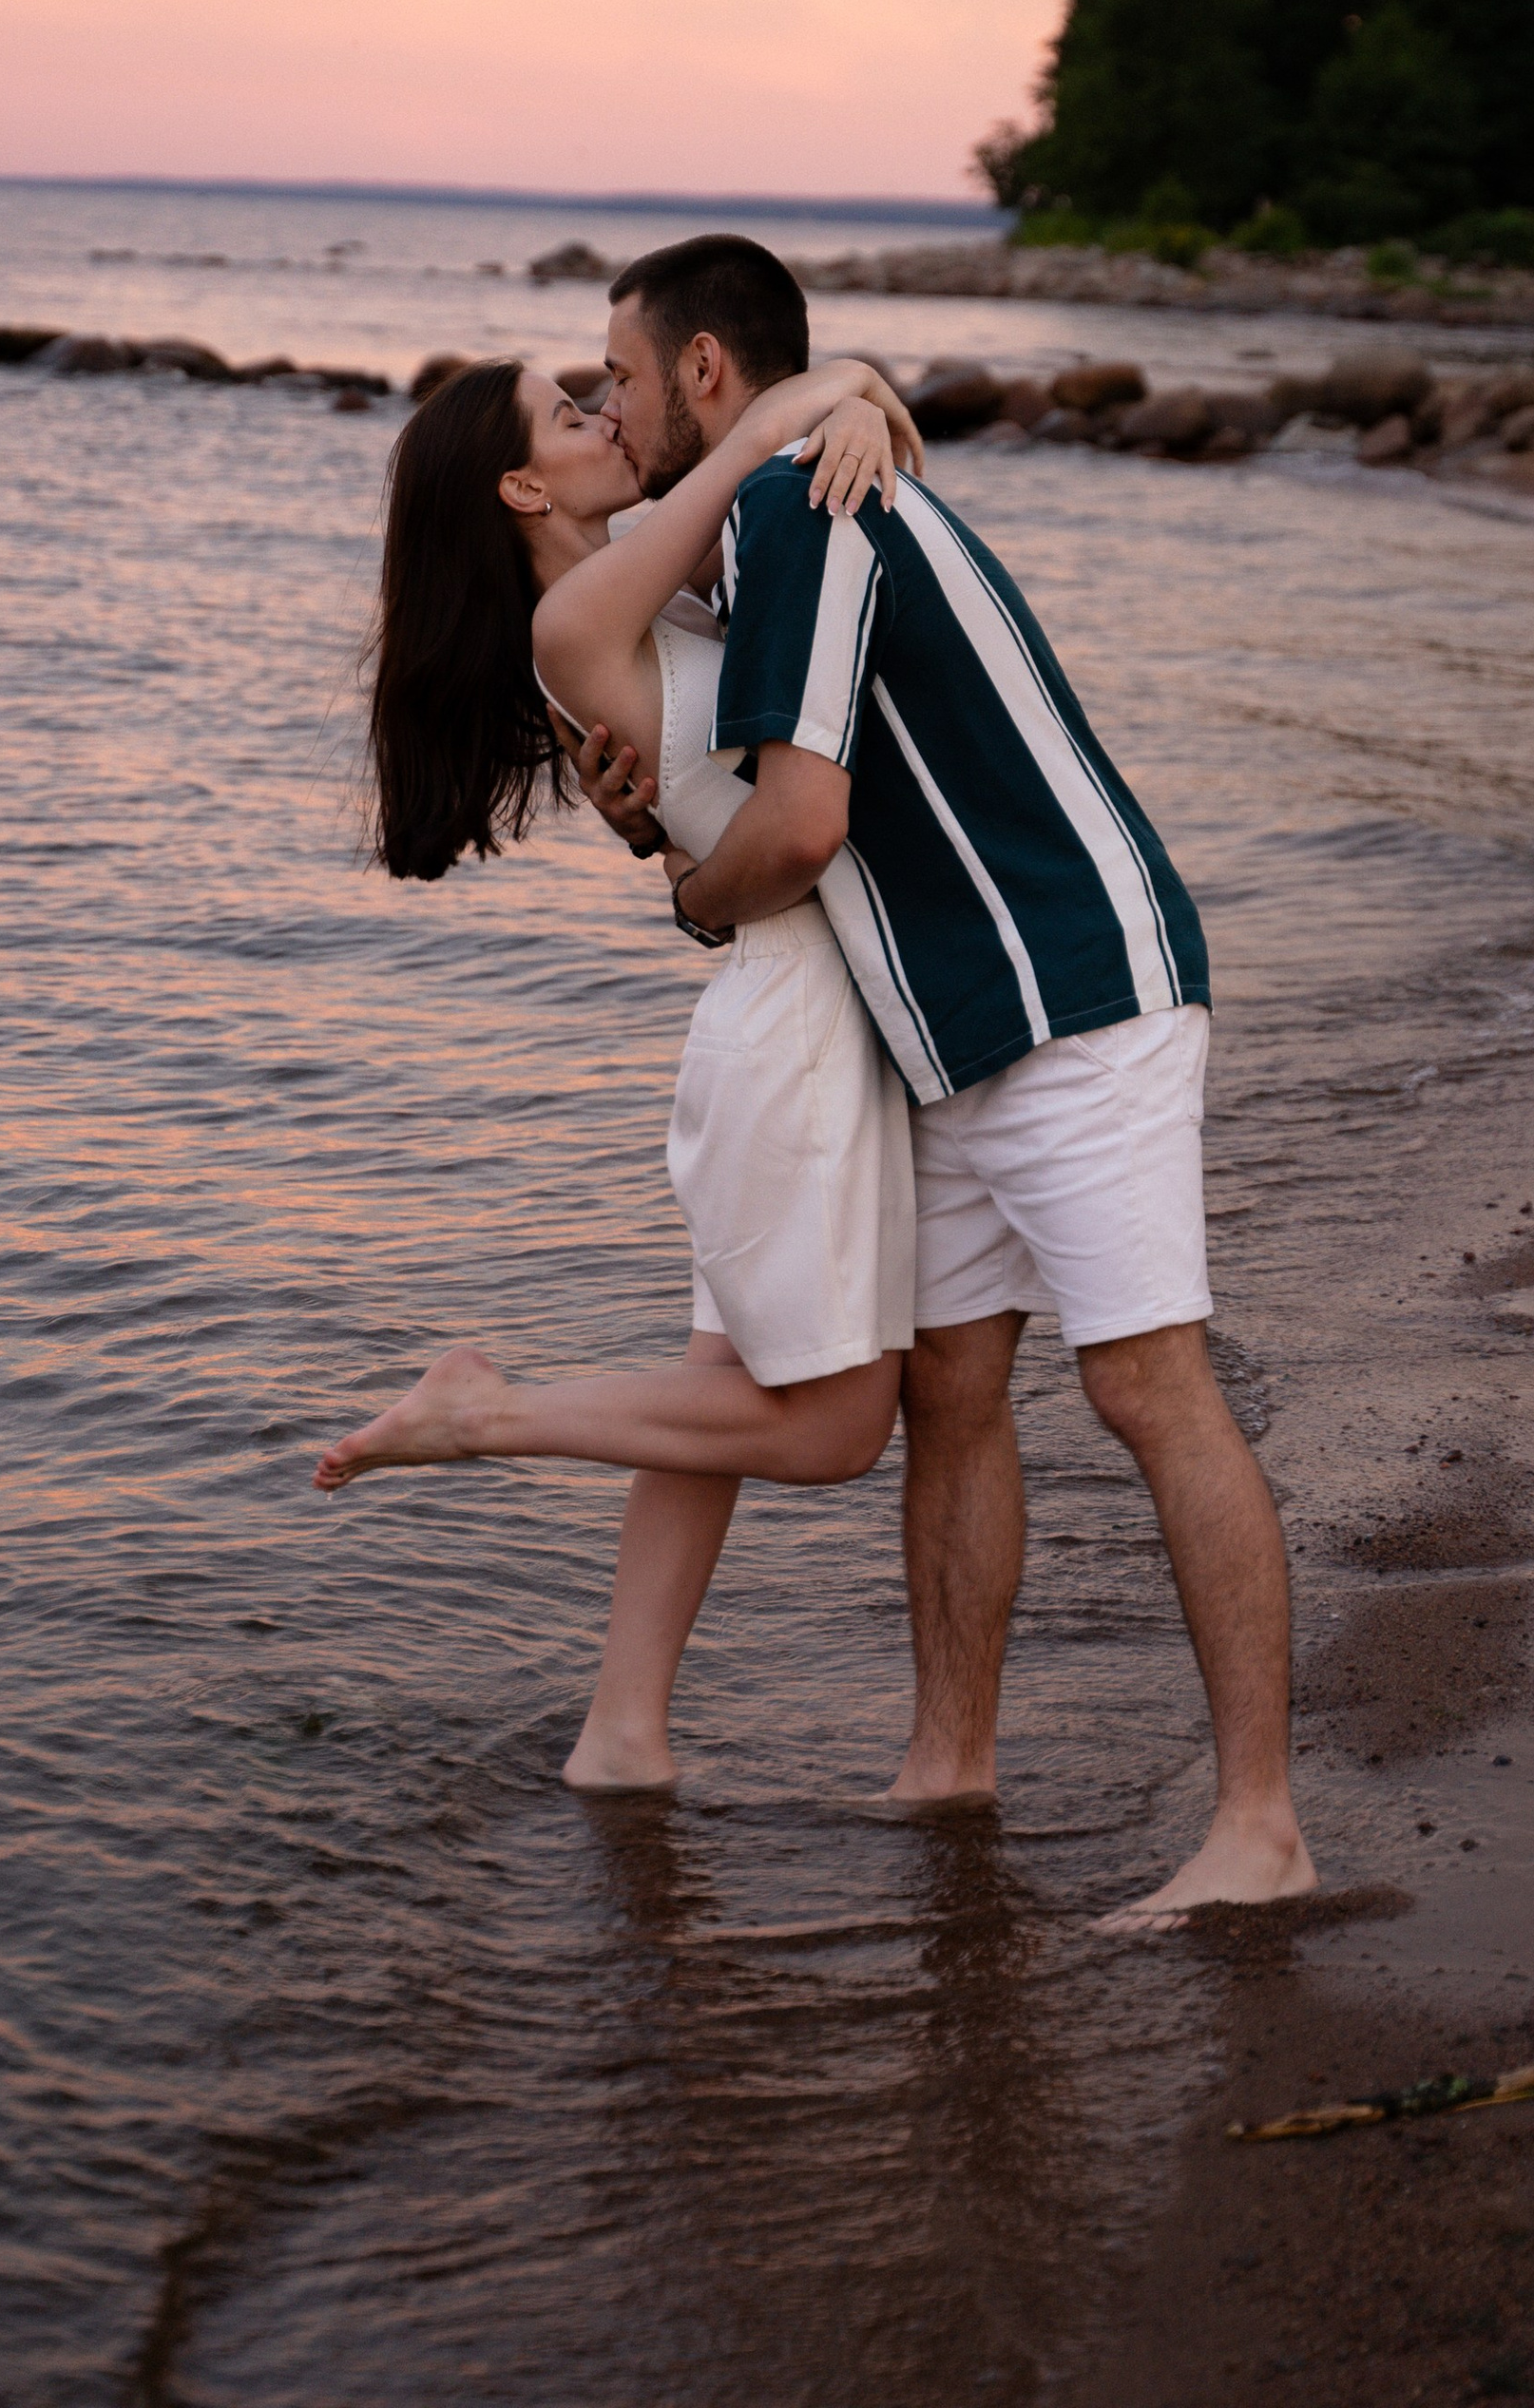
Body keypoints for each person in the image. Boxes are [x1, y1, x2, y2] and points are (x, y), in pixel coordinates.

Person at [579, 234, 1313, 1925]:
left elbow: (802, 821)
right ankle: (947, 1766)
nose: (608, 409)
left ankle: (1262, 1828)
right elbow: (640, 649)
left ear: (703, 371)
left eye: (621, 376)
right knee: (952, 1395)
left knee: (1149, 1387)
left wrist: (694, 896)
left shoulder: (797, 508)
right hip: (953, 1027)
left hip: (1076, 988)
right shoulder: (773, 497)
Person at [316, 341, 922, 1793]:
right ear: (525, 482)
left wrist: (846, 401)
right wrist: (818, 394)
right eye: (571, 414)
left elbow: (695, 789)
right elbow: (751, 446)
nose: (606, 417)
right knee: (833, 1431)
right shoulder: (583, 611)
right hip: (794, 1029)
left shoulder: (640, 599)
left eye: (608, 392)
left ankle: (621, 1734)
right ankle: (485, 1415)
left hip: (789, 1018)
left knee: (714, 1390)